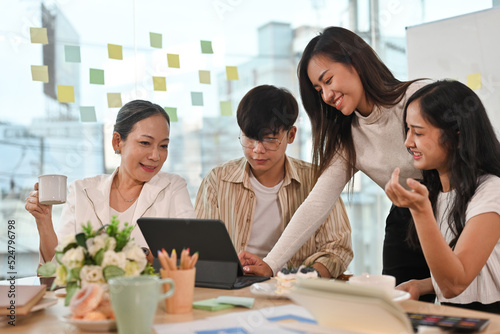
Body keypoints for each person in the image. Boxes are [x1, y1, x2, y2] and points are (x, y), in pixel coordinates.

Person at [239, 26, 432, 294]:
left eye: (328, 80)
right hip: (406, 219)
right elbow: (316, 204)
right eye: (319, 90)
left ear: (356, 63)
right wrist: (271, 264)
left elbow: (476, 160)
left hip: (456, 210)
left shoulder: (418, 98)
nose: (327, 96)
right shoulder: (347, 138)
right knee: (397, 311)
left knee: (467, 306)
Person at [195, 85, 352, 278]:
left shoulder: (318, 181)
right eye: (249, 138)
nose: (257, 149)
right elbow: (202, 248)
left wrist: (299, 278)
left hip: (296, 289)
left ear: (291, 135)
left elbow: (338, 249)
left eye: (270, 139)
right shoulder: (217, 181)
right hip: (234, 285)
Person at [26, 100, 195, 263]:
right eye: (145, 143)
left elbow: (190, 255)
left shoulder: (173, 187)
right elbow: (58, 268)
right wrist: (44, 220)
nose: (155, 156)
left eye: (163, 146)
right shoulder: (82, 191)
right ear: (117, 141)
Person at [385, 80, 500, 314]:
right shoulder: (437, 192)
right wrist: (422, 285)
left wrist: (420, 211)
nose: (408, 142)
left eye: (417, 132)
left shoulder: (492, 190)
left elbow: (455, 284)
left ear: (456, 136)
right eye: (407, 130)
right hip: (457, 316)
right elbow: (462, 271)